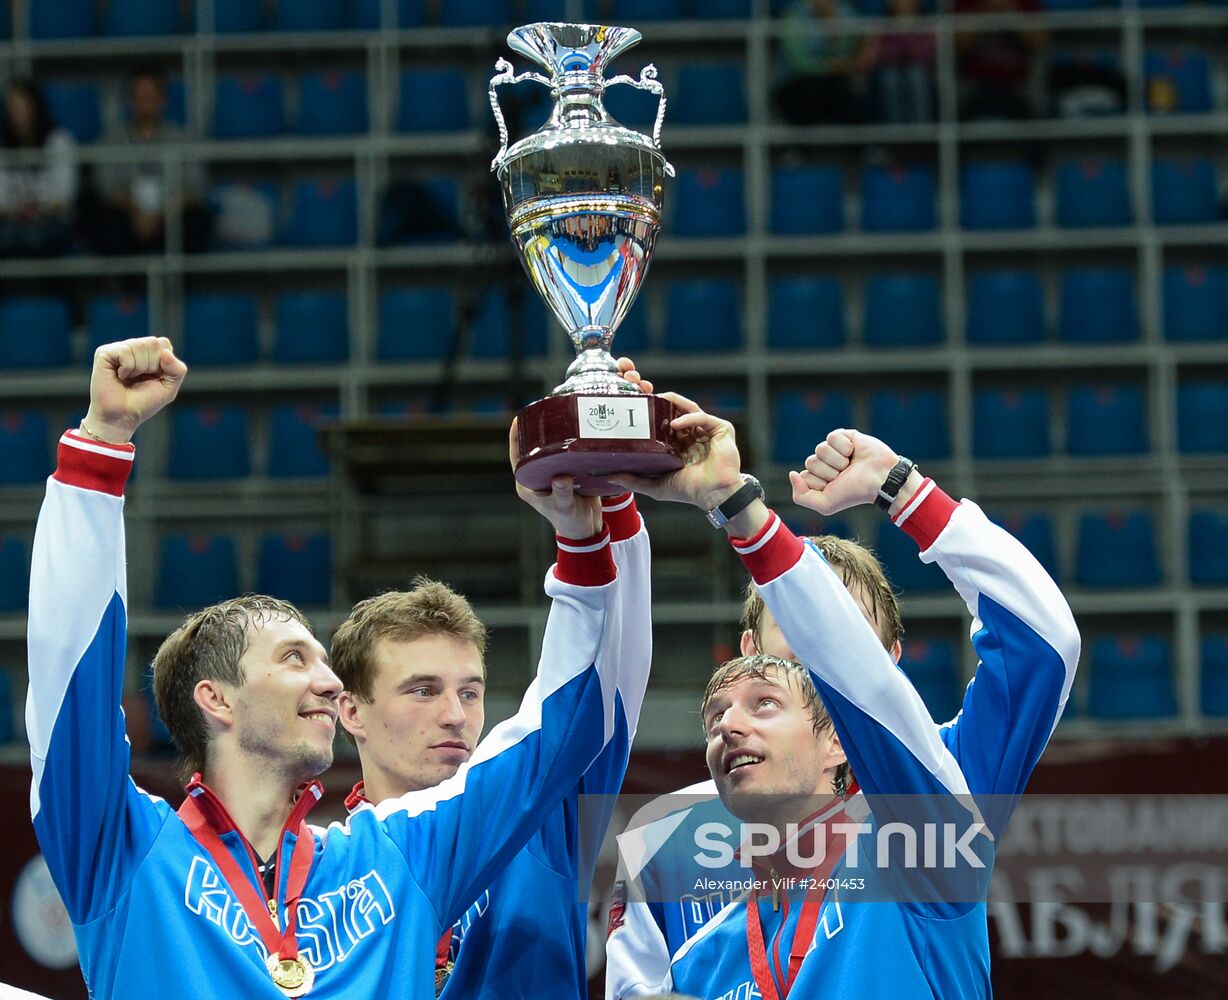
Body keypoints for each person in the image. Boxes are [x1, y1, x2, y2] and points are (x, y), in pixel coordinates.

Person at [26, 336, 643, 999]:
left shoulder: (394, 856)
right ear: (217, 699)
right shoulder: (123, 855)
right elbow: (70, 689)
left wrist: (583, 540)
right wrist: (101, 447)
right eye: (295, 658)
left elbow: (561, 729)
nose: (327, 680)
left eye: (325, 662)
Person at [606, 393, 1079, 998]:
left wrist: (903, 491)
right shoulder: (665, 839)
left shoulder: (949, 786)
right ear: (749, 651)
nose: (831, 672)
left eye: (850, 650)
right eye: (801, 648)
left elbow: (1042, 643)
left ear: (890, 666)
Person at [332, 481, 650, 997]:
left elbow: (612, 677)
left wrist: (612, 495)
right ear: (351, 711)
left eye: (470, 693)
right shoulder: (321, 870)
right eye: (422, 691)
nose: (455, 716)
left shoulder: (545, 821)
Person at [87, 65, 212, 254]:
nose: (144, 102)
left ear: (162, 99)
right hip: (127, 216)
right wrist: (135, 210)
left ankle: (178, 281)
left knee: (197, 221)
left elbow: (196, 185)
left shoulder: (183, 138)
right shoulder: (112, 139)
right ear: (129, 100)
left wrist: (161, 213)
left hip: (171, 214)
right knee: (102, 218)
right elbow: (105, 184)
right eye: (138, 96)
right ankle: (123, 280)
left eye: (149, 96)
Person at [0, 79, 77, 257]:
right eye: (11, 106)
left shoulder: (59, 141)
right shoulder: (4, 148)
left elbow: (64, 195)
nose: (15, 112)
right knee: (7, 236)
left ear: (35, 106)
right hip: (13, 222)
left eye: (21, 105)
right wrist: (16, 210)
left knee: (33, 237)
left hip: (53, 221)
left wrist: (39, 208)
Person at [774, 0, 876, 126]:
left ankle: (854, 141)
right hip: (798, 81)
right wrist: (829, 67)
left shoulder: (846, 12)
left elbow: (857, 44)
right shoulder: (795, 16)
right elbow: (799, 62)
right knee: (815, 87)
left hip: (837, 78)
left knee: (846, 88)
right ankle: (805, 142)